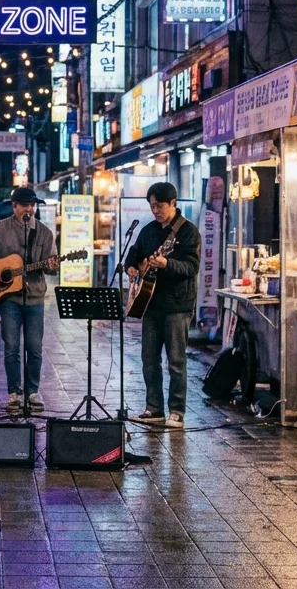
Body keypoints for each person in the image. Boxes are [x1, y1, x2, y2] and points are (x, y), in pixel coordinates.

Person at [0, 188, 60, 413]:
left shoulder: (45, 233)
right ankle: (13, 393)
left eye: (32, 205)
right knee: (11, 346)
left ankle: (33, 392)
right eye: (24, 205)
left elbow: (50, 265)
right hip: (9, 299)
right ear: (14, 207)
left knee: (35, 347)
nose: (29, 209)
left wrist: (52, 266)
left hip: (35, 297)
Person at [124, 182, 201, 429]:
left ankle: (176, 412)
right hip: (150, 302)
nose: (155, 210)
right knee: (149, 359)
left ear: (173, 203)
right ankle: (153, 408)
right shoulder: (148, 231)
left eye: (159, 205)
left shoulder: (188, 232)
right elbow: (133, 254)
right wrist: (132, 268)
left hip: (178, 305)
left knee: (176, 360)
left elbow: (191, 267)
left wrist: (167, 264)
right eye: (152, 205)